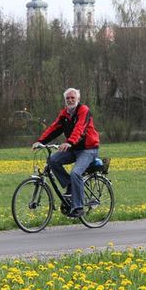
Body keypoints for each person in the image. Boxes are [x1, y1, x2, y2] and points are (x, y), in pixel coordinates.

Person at [32, 88, 100, 218]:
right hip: (74, 149)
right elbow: (54, 128)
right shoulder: (64, 114)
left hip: (88, 149)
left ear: (78, 99)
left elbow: (80, 128)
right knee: (52, 160)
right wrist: (40, 141)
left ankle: (79, 207)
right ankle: (70, 185)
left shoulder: (84, 110)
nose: (70, 100)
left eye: (72, 98)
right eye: (67, 98)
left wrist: (69, 142)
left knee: (76, 172)